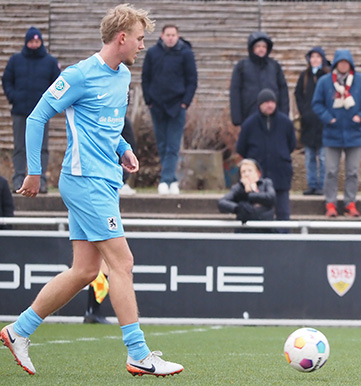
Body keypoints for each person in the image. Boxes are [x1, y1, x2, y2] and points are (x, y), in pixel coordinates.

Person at [0, 4, 183, 377]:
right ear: (122, 38)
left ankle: (19, 331)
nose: (141, 45)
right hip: (85, 182)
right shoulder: (79, 74)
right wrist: (34, 172)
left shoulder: (122, 77)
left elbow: (105, 128)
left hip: (103, 181)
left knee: (85, 270)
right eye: (139, 38)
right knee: (123, 263)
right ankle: (138, 353)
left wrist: (123, 149)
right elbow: (36, 117)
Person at [312, 49, 361, 217]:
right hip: (331, 135)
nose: (343, 65)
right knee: (331, 171)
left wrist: (360, 116)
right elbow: (317, 104)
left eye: (346, 63)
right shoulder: (325, 82)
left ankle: (350, 203)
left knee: (352, 172)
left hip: (354, 134)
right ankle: (331, 203)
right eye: (340, 62)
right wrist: (328, 119)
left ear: (350, 64)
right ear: (335, 64)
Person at [2, 27, 60, 194]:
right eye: (31, 41)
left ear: (41, 42)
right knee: (20, 147)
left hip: (42, 115)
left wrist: (50, 105)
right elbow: (7, 80)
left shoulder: (50, 62)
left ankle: (40, 181)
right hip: (20, 111)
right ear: (26, 42)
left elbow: (58, 85)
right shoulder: (15, 61)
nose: (34, 44)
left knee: (42, 148)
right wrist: (14, 97)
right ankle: (19, 179)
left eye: (37, 41)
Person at [141, 24, 197, 195]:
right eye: (168, 35)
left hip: (177, 106)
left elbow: (192, 80)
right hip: (157, 105)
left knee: (173, 144)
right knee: (162, 144)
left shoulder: (186, 53)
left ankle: (165, 181)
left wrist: (185, 103)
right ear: (162, 36)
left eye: (174, 35)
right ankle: (172, 180)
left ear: (178, 36)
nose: (171, 38)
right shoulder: (152, 53)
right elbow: (145, 77)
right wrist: (148, 100)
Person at [236, 88, 296, 223]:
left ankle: (283, 240)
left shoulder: (285, 123)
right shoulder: (249, 124)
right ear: (259, 105)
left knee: (282, 212)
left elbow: (291, 144)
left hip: (280, 173)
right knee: (257, 212)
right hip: (257, 178)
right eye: (266, 102)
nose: (270, 105)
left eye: (272, 102)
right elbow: (241, 148)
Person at [229, 31, 289, 127]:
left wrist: (284, 114)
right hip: (249, 114)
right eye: (258, 46)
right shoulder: (242, 67)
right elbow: (235, 91)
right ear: (252, 48)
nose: (261, 49)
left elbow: (283, 90)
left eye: (264, 47)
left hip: (272, 116)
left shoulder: (274, 66)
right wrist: (237, 118)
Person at [295, 46, 331, 195]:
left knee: (323, 158)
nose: (315, 60)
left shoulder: (327, 76)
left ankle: (322, 186)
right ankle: (312, 185)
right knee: (309, 157)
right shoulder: (305, 76)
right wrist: (304, 112)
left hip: (323, 124)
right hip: (308, 124)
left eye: (318, 57)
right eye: (312, 57)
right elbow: (298, 95)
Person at [218, 158, 276, 232]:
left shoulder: (266, 183)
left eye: (250, 171)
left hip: (266, 228)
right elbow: (222, 202)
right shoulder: (238, 188)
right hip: (245, 229)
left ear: (258, 173)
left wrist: (248, 195)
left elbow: (271, 197)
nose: (246, 174)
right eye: (243, 172)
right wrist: (237, 208)